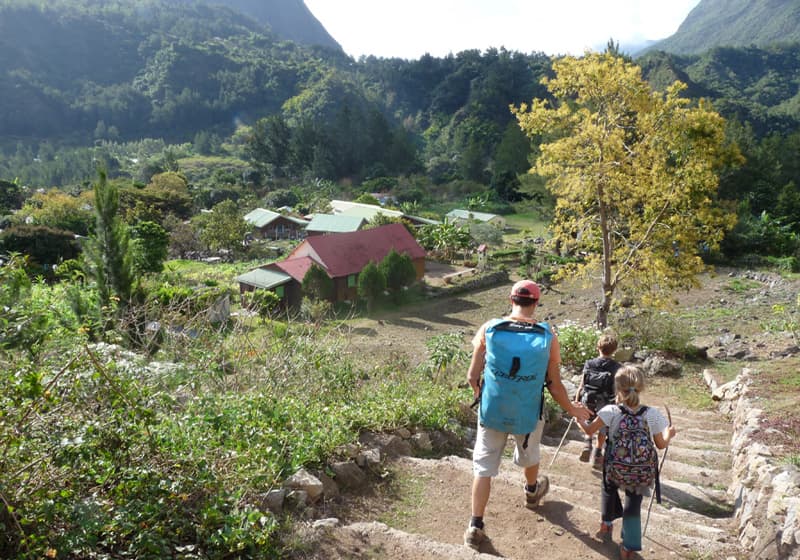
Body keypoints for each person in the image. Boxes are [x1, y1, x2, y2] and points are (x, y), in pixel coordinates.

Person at [464, 279, 591, 551]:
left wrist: (482, 395)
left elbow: (472, 375)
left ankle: (475, 524)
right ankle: (532, 491)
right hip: (528, 411)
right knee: (530, 454)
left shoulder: (490, 327)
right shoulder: (547, 336)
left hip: (492, 410)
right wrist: (573, 410)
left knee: (483, 467)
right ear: (535, 303)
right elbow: (554, 384)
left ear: (511, 300)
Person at [579, 365, 677, 560]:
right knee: (633, 501)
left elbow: (589, 431)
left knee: (608, 487)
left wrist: (578, 419)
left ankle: (606, 522)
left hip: (614, 465)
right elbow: (660, 444)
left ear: (617, 388)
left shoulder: (611, 410)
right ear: (641, 388)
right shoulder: (652, 414)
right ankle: (628, 546)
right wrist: (669, 433)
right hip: (640, 471)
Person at [574, 333, 621, 468]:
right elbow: (618, 389)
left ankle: (587, 441)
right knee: (603, 427)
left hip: (588, 399)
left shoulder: (589, 363)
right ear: (614, 350)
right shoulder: (617, 367)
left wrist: (577, 401)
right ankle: (598, 452)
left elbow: (581, 385)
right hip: (606, 402)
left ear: (598, 347)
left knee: (585, 420)